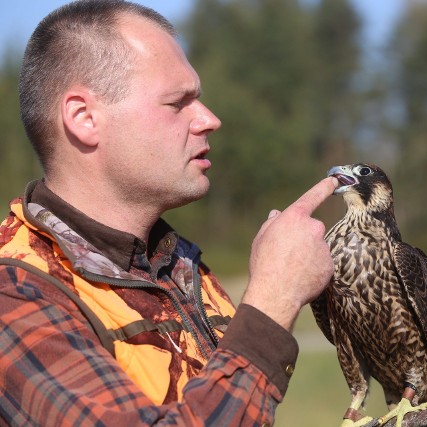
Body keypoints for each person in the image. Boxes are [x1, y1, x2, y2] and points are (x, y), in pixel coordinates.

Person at [0, 1, 338, 425]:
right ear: (84, 118)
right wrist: (273, 299)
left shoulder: (176, 267)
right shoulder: (16, 292)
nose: (210, 119)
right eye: (177, 103)